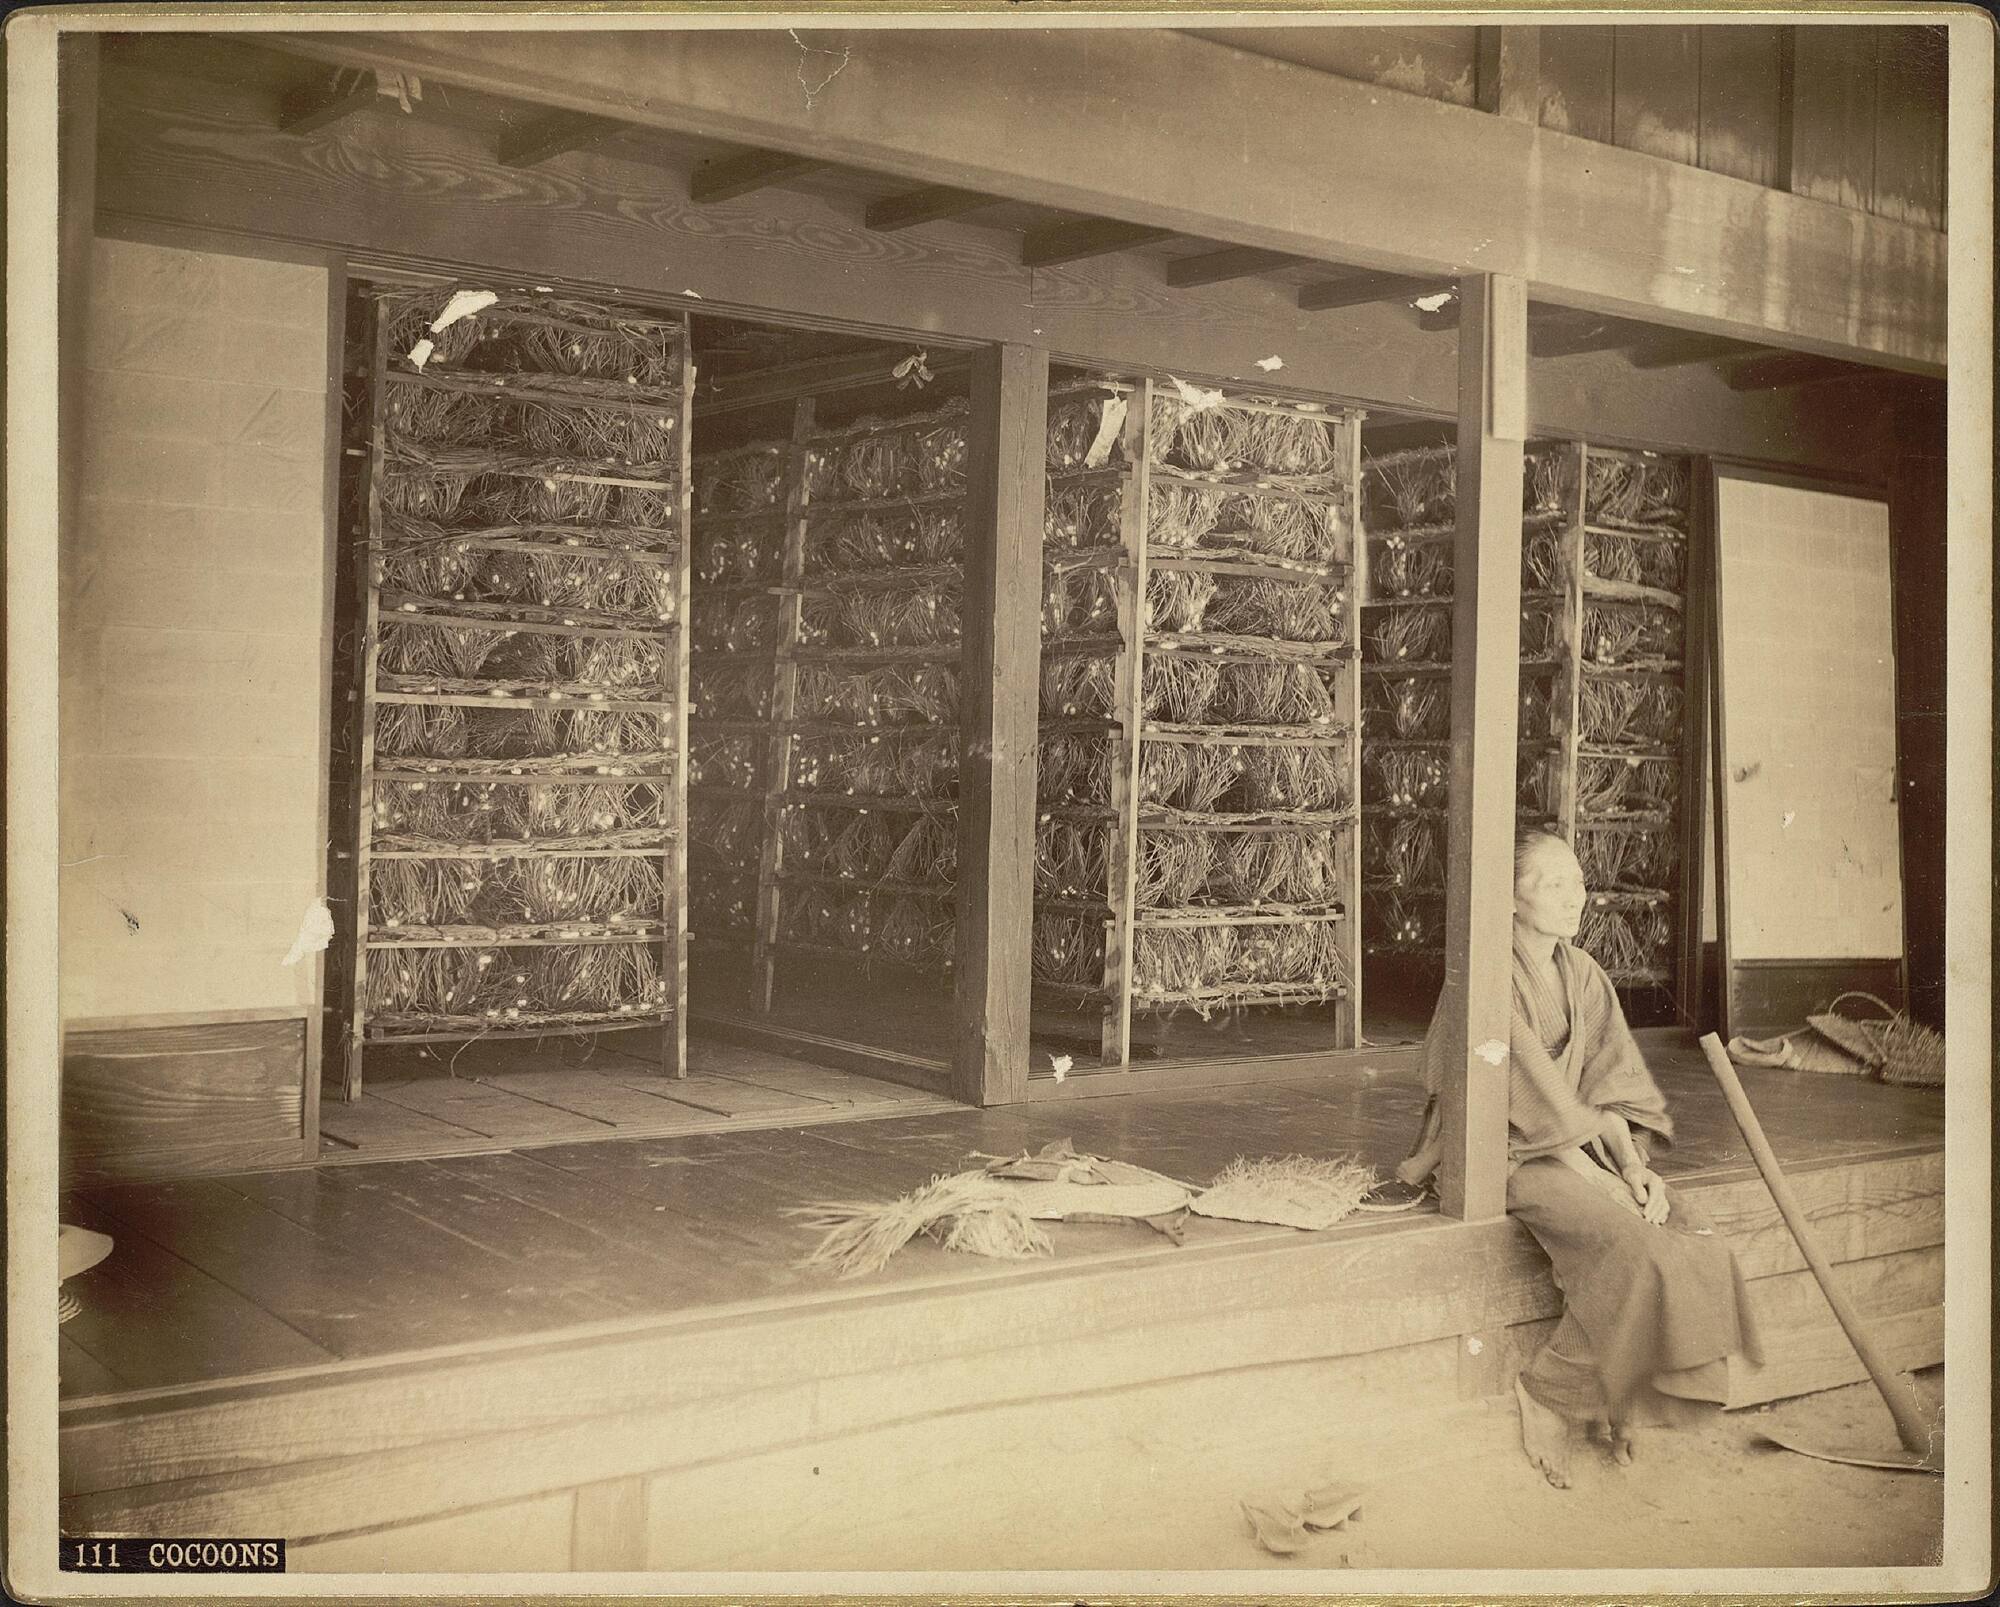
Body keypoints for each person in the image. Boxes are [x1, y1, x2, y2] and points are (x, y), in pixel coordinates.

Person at [1397, 830, 1763, 1487]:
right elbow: (1531, 1102)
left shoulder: (1583, 972)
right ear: (1510, 897)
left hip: (1578, 1147)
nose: (1577, 897)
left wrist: (1635, 1169)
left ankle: (1623, 1389)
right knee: (1638, 1249)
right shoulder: (1483, 978)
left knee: (1694, 1235)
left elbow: (1611, 1084)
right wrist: (1599, 1177)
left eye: (1578, 882)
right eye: (1554, 884)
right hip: (1499, 1151)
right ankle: (1550, 1392)